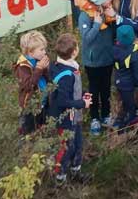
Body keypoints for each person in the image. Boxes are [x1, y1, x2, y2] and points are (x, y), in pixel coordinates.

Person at [49, 33, 92, 185]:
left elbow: (72, 90)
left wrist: (83, 93)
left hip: (75, 116)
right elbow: (62, 100)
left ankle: (76, 171)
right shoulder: (66, 73)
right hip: (66, 119)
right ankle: (59, 179)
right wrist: (82, 103)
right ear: (74, 52)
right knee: (67, 147)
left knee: (78, 144)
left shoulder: (66, 66)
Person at [78, 0, 116, 135]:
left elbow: (114, 33)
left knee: (106, 88)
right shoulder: (85, 15)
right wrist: (97, 24)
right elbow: (87, 38)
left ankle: (106, 115)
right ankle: (94, 118)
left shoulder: (109, 11)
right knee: (94, 90)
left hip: (107, 58)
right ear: (100, 1)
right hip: (92, 61)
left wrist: (113, 19)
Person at [13, 30, 50, 136]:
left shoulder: (38, 60)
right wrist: (39, 69)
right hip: (30, 106)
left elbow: (48, 79)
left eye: (44, 49)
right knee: (29, 131)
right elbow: (28, 85)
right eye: (41, 50)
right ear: (31, 52)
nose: (44, 52)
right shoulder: (22, 67)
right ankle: (26, 148)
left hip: (43, 102)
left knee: (42, 126)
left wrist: (45, 68)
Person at [112, 24, 138, 130]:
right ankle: (124, 128)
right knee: (130, 107)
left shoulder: (114, 48)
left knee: (123, 103)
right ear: (132, 37)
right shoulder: (134, 54)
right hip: (128, 85)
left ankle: (119, 120)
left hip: (118, 81)